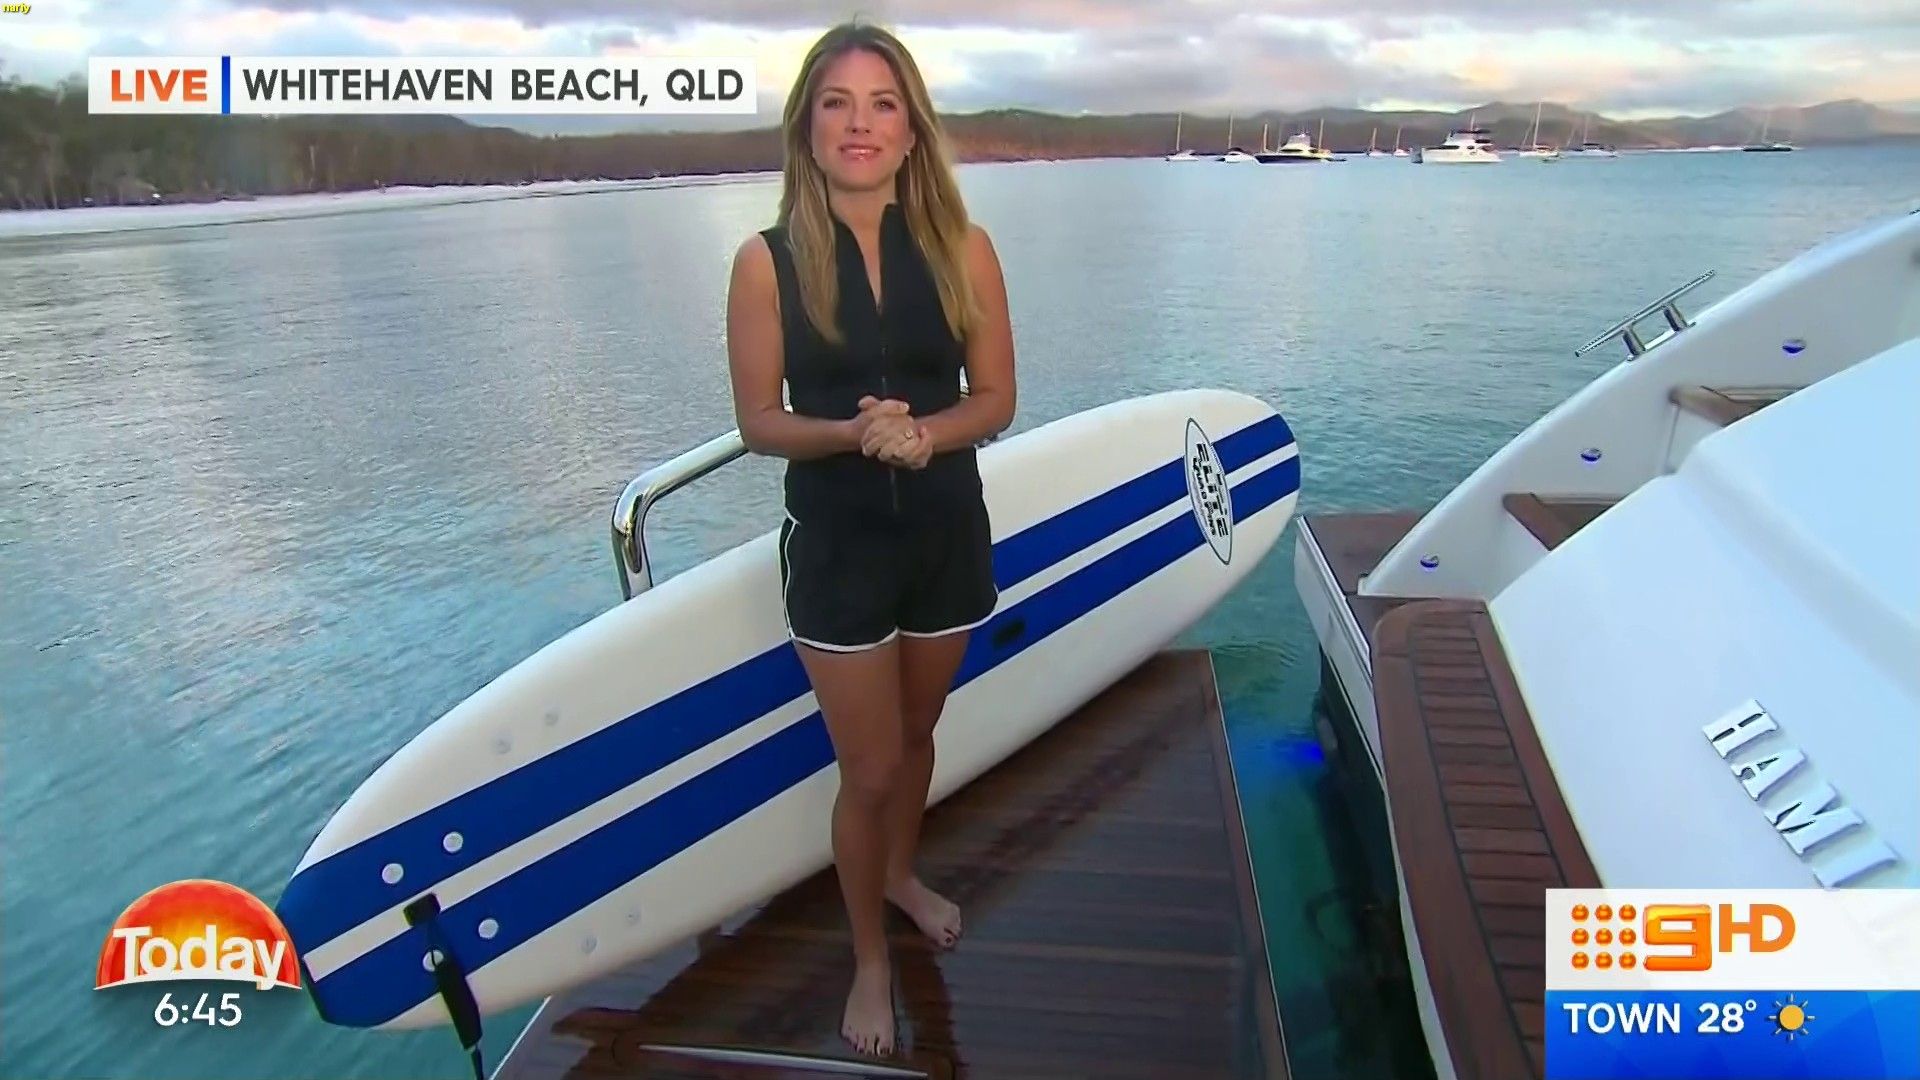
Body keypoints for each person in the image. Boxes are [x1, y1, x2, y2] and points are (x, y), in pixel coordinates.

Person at [722, 19, 1017, 1059]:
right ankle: (870, 960)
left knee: (919, 736)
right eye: (837, 103)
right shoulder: (764, 265)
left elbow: (997, 398)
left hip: (944, 536)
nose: (860, 124)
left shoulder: (964, 248)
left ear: (911, 128)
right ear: (807, 127)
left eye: (883, 104)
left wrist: (926, 433)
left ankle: (898, 875)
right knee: (873, 768)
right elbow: (760, 422)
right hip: (838, 551)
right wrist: (853, 434)